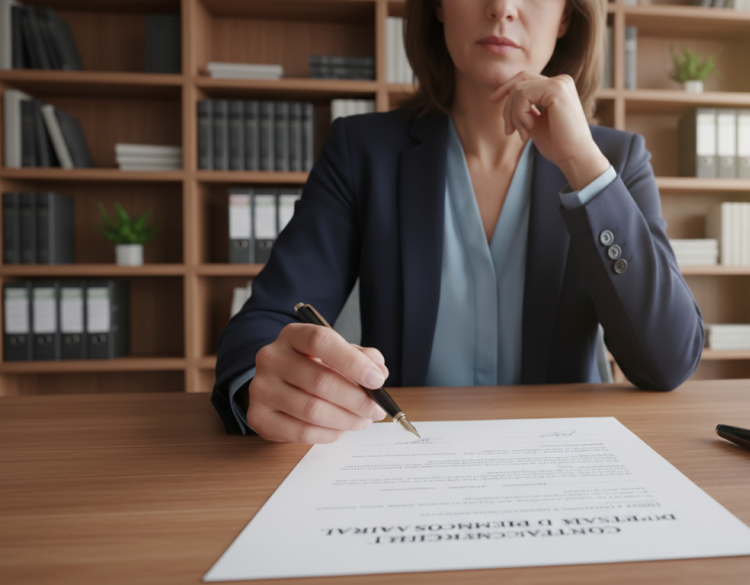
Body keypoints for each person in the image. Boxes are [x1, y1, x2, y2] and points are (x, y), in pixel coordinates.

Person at [211, 0, 705, 444]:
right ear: (439, 7)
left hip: (562, 461)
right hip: (409, 459)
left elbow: (667, 360)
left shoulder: (613, 159)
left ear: (567, 18)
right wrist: (263, 383)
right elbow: (267, 322)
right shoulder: (360, 152)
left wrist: (584, 167)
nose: (502, 7)